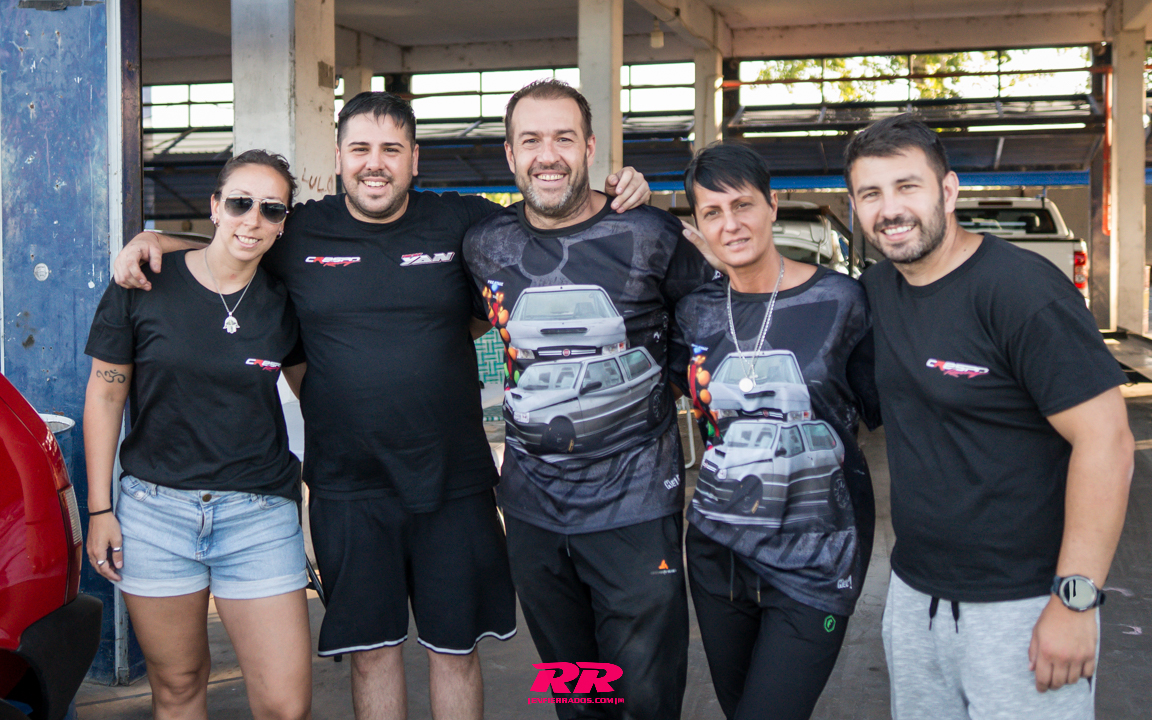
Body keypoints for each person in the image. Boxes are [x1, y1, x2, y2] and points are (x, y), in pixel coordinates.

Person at [111, 91, 652, 720]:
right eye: (361, 149)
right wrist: (153, 238)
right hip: (348, 486)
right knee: (372, 653)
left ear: (414, 159)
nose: (375, 163)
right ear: (338, 157)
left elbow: (553, 214)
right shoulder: (299, 231)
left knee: (455, 651)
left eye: (392, 149)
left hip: (453, 481)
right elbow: (232, 241)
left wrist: (623, 192)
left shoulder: (461, 222)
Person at [844, 113, 1134, 719]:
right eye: (871, 194)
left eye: (907, 187)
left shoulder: (1021, 291)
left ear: (948, 191)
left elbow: (1107, 442)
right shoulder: (875, 292)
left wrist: (1075, 601)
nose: (890, 210)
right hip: (915, 598)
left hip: (1023, 606)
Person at [461, 79, 715, 719]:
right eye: (531, 140)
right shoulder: (486, 244)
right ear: (511, 155)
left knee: (644, 701)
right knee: (578, 697)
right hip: (532, 515)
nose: (548, 155)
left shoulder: (650, 233)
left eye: (564, 139)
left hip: (635, 511)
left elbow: (711, 336)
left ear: (591, 148)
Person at [85, 150, 311, 720]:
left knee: (285, 705)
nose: (252, 219)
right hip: (154, 515)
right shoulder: (142, 282)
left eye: (271, 209)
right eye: (239, 203)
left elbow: (319, 397)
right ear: (214, 206)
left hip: (259, 515)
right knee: (179, 687)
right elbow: (106, 396)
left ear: (283, 223)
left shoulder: (286, 300)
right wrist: (99, 509)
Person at [671, 142, 881, 720]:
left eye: (742, 205)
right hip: (717, 554)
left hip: (816, 559)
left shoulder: (841, 301)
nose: (730, 224)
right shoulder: (695, 313)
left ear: (772, 206)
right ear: (699, 224)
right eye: (712, 212)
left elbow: (893, 411)